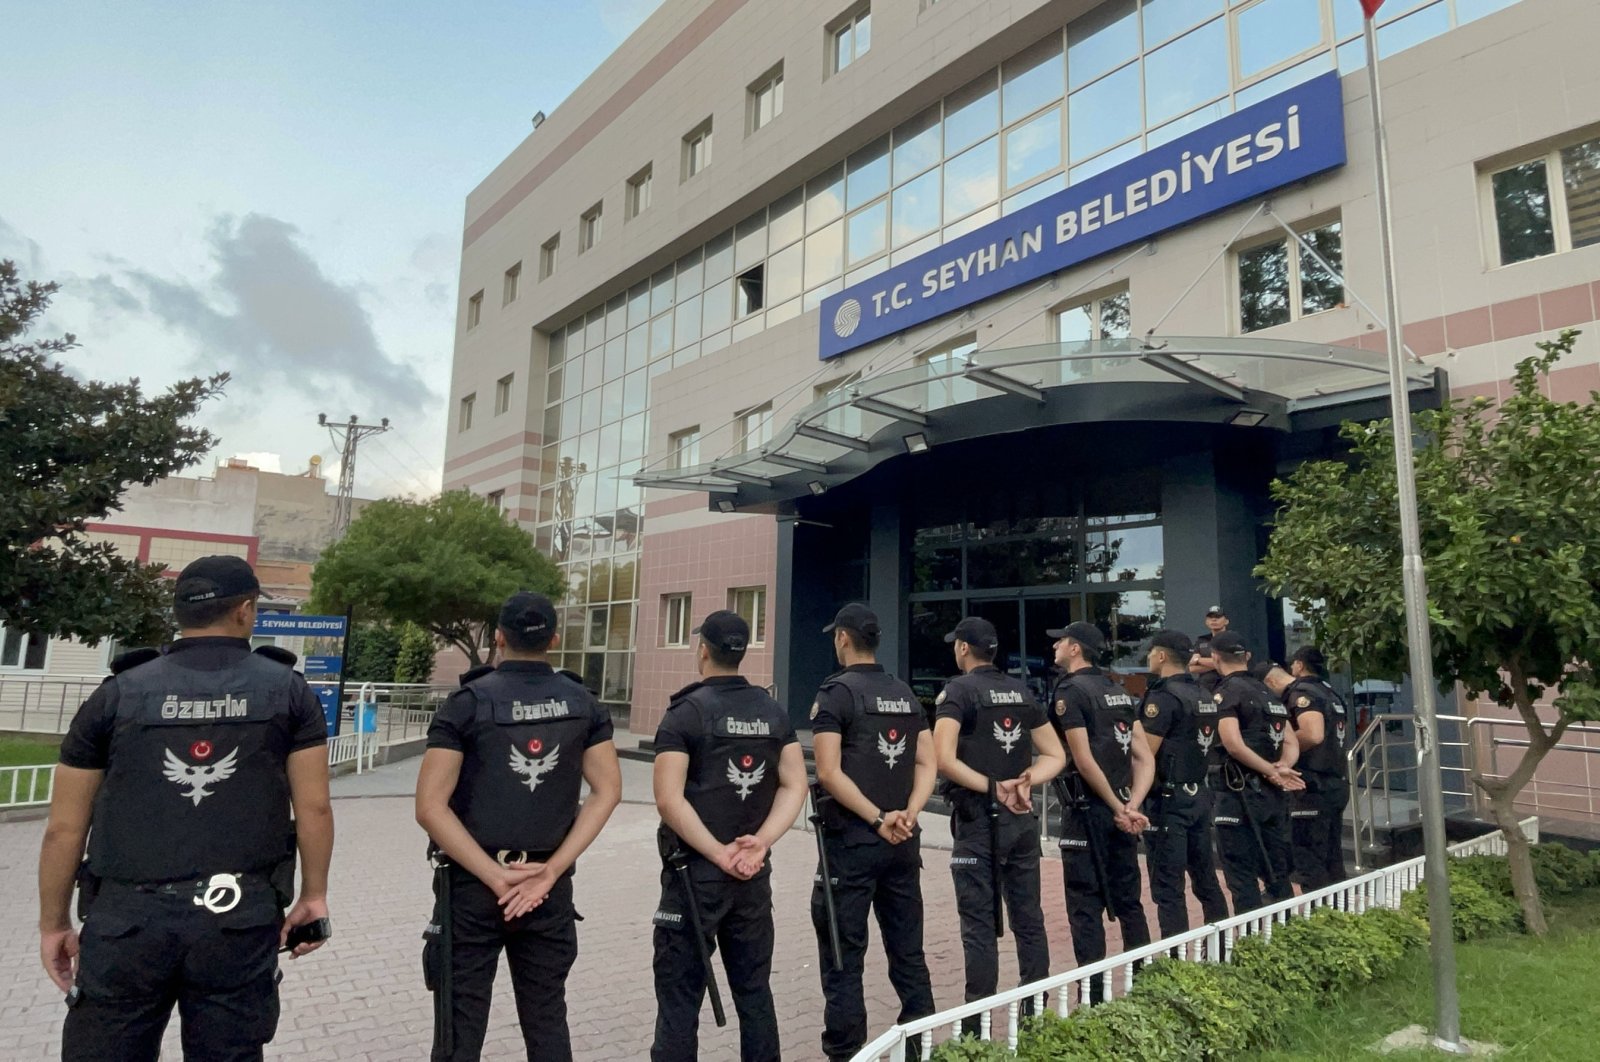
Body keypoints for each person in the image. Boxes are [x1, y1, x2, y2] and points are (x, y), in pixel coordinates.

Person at [38, 556, 334, 1062]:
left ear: (178, 614)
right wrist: (314, 895)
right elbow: (315, 809)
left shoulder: (117, 693)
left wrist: (53, 923)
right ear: (246, 610)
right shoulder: (287, 690)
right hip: (237, 919)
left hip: (126, 923)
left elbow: (64, 827)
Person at [415, 591, 623, 1061]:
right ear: (553, 638)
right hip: (546, 887)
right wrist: (550, 872)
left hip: (472, 888)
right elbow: (607, 791)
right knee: (547, 1019)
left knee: (458, 1029)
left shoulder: (466, 703)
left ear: (499, 637)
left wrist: (494, 876)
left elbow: (430, 806)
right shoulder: (582, 702)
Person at [651, 610, 807, 1062]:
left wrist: (720, 853)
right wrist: (761, 842)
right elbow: (795, 783)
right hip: (751, 877)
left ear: (703, 650)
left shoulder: (685, 713)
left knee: (679, 1004)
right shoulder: (772, 712)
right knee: (755, 994)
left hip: (694, 879)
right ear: (743, 653)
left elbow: (668, 799)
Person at [809, 603, 936, 1061]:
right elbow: (927, 762)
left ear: (843, 638)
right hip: (904, 844)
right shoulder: (904, 692)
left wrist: (879, 817)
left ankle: (846, 1053)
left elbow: (827, 772)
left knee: (844, 957)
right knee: (909, 952)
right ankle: (920, 1045)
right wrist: (909, 812)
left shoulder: (835, 693)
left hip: (853, 846)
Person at [932, 616, 1065, 1023]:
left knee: (979, 925)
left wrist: (994, 788)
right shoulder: (1020, 691)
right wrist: (1025, 781)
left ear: (963, 649)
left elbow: (942, 757)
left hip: (978, 821)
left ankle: (977, 1027)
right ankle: (1035, 1015)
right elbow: (1056, 755)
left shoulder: (957, 692)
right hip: (1021, 821)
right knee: (1029, 919)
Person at [1046, 621, 1153, 1002]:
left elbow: (1083, 758)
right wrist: (1132, 804)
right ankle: (1145, 985)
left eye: (1060, 640)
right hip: (1122, 810)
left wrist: (1116, 806)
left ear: (1075, 648)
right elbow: (1144, 757)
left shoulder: (1071, 691)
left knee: (1085, 905)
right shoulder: (1117, 690)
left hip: (1088, 810)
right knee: (1129, 901)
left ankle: (1092, 997)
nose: (1055, 646)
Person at [1137, 630, 1229, 939]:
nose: (1149, 658)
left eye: (1151, 653)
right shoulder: (1203, 693)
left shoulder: (1163, 697)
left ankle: (1174, 959)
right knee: (1205, 879)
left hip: (1168, 799)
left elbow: (1145, 754)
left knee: (1168, 886)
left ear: (1161, 656)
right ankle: (1220, 949)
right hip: (1198, 793)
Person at [1207, 632, 1304, 913]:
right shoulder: (1267, 693)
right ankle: (1286, 934)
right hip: (1272, 798)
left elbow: (1233, 744)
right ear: (1246, 658)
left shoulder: (1226, 693)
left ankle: (1252, 946)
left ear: (1214, 657)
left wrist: (1270, 771)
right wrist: (1282, 768)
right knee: (1276, 872)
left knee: (1241, 874)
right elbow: (1291, 741)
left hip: (1238, 796)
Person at [1269, 647, 1352, 891]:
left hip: (1312, 785)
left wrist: (1282, 754)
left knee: (1308, 858)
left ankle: (1320, 917)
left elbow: (1313, 734)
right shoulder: (1330, 692)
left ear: (1299, 665)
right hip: (1335, 782)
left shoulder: (1302, 692)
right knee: (1332, 856)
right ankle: (1339, 914)